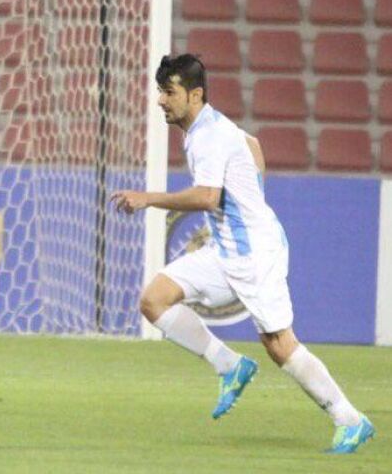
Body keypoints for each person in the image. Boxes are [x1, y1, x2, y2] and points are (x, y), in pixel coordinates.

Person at [111, 54, 374, 454]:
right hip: (225, 250)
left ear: (195, 94)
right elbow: (252, 145)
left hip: (254, 255)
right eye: (160, 91)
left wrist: (148, 198)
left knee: (279, 344)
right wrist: (253, 197)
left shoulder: (208, 136)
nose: (161, 100)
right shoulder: (208, 127)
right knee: (154, 299)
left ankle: (350, 420)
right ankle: (230, 365)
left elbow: (206, 197)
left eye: (169, 92)